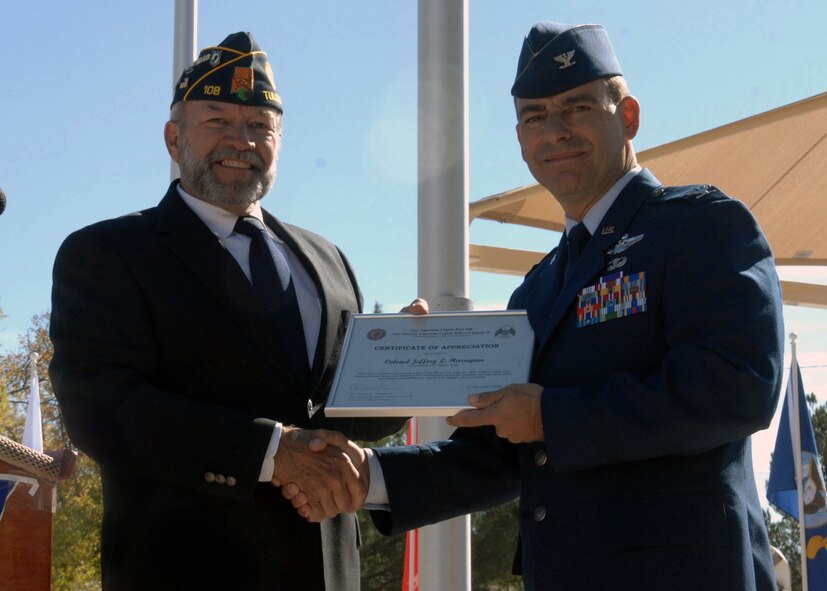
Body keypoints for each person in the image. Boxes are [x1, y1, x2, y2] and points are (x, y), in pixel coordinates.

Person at [284, 21, 785, 590]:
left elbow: (738, 386)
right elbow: (500, 452)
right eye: (535, 116)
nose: (555, 131)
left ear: (628, 117)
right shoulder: (540, 286)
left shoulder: (702, 225)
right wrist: (365, 478)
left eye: (577, 108)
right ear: (520, 142)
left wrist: (550, 415)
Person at [49, 31, 406, 591]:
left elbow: (336, 416)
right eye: (216, 120)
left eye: (260, 126)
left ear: (279, 141)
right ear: (173, 138)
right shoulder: (109, 253)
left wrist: (401, 366)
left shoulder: (328, 260)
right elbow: (102, 407)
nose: (240, 141)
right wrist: (273, 454)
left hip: (328, 573)